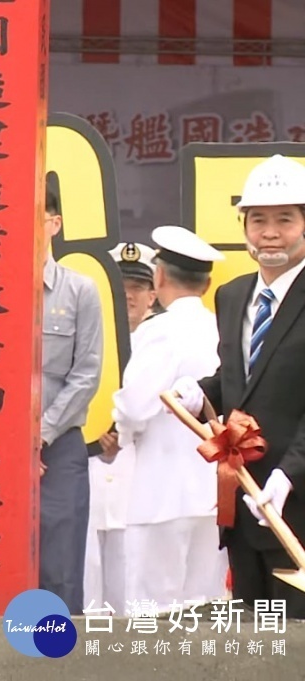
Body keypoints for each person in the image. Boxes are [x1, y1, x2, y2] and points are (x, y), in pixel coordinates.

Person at [172, 154, 305, 617]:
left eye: (284, 220)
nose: (270, 232)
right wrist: (201, 393)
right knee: (251, 642)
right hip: (243, 502)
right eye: (259, 220)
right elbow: (237, 382)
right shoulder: (232, 296)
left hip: (296, 506)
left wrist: (288, 475)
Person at [114, 226, 227, 613]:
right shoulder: (220, 328)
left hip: (161, 490)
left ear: (158, 276)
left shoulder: (159, 330)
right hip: (213, 492)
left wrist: (122, 428)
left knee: (152, 609)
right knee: (204, 607)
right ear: (208, 283)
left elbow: (134, 406)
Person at [39, 190, 104, 615]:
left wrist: (39, 434)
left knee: (58, 568)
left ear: (54, 223)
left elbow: (87, 374)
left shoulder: (81, 291)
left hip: (58, 446)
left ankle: (54, 666)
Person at [83, 241, 156, 612]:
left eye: (138, 287)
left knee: (135, 601)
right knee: (86, 597)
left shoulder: (161, 342)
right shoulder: (84, 336)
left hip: (138, 482)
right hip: (86, 476)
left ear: (153, 294)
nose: (128, 295)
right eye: (120, 286)